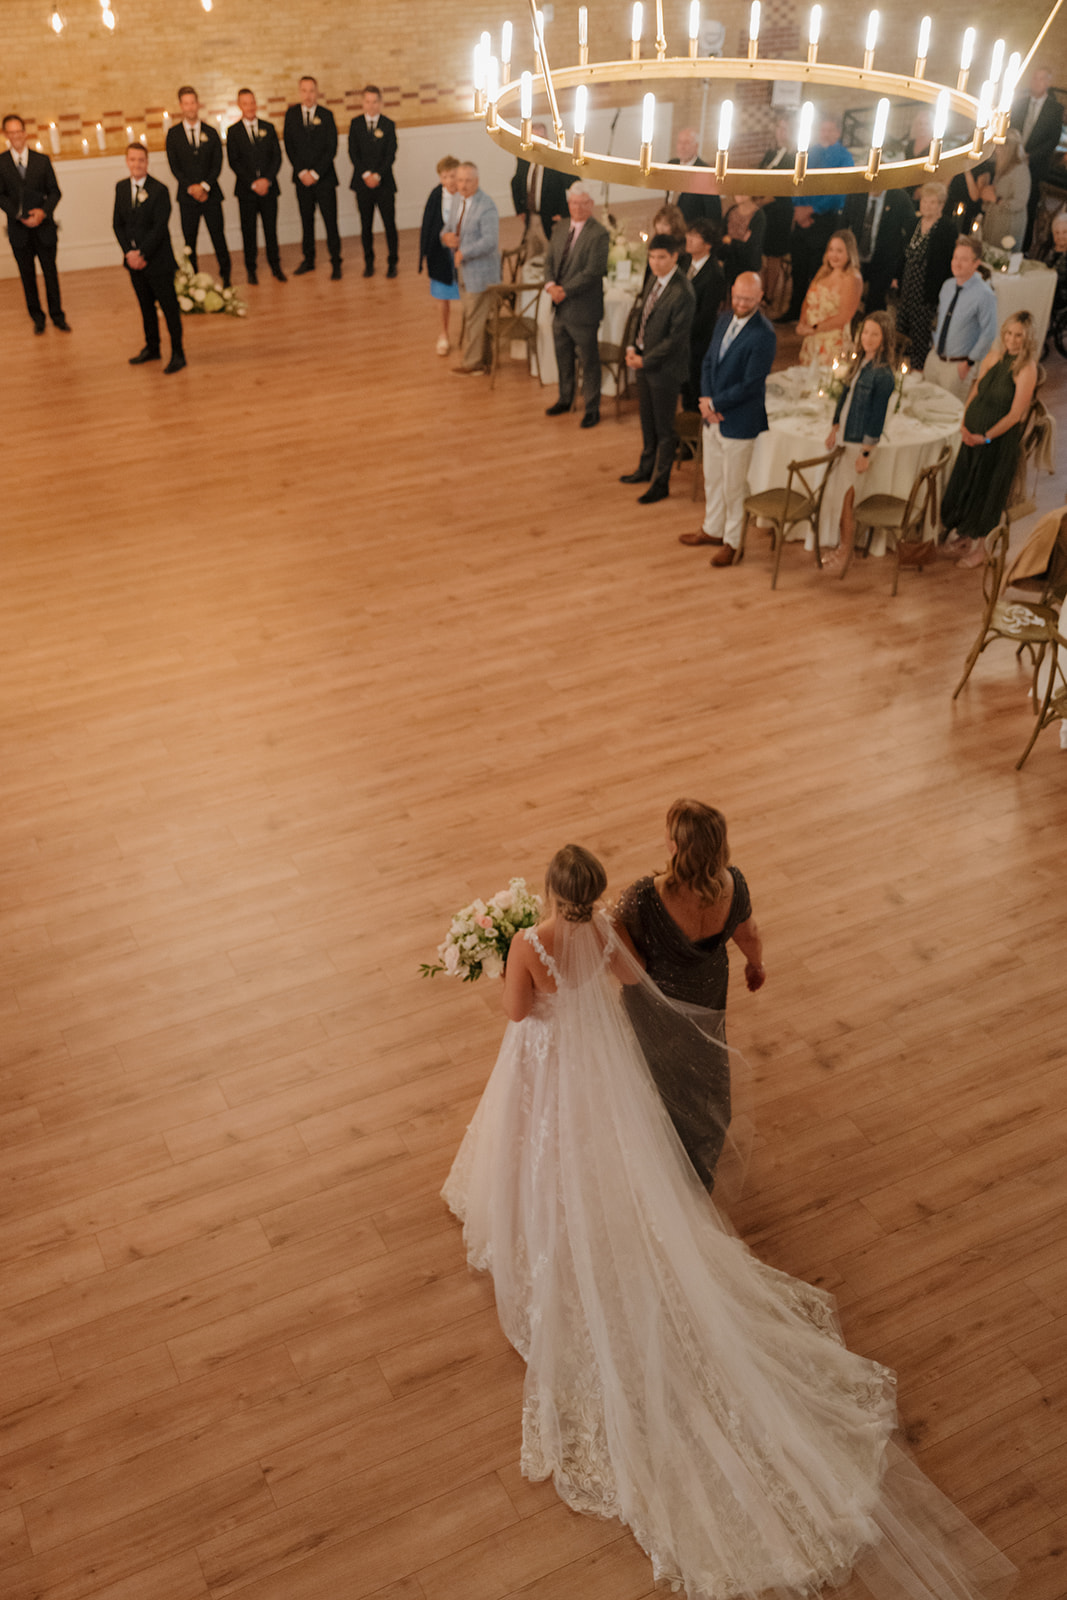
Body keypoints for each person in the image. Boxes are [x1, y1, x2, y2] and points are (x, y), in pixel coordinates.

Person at [442, 842, 1016, 1600]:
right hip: (595, 1071)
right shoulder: (605, 934)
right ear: (592, 892)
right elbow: (633, 984)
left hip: (545, 1062)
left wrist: (502, 971)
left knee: (539, 1147)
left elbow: (518, 1012)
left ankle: (538, 1215)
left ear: (548, 893)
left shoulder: (527, 944)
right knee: (601, 1152)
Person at [616, 801, 763, 1188]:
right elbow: (749, 934)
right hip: (707, 997)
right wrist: (755, 965)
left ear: (675, 845)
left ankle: (654, 1156)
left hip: (654, 1007)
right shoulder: (734, 884)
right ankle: (693, 1158)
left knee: (653, 1072)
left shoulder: (644, 897)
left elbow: (624, 959)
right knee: (701, 1066)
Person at [683, 270, 776, 564]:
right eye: (737, 297)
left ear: (760, 297)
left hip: (739, 421)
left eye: (748, 299)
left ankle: (734, 543)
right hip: (712, 415)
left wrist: (716, 403)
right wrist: (706, 402)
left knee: (734, 487)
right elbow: (709, 361)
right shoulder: (723, 319)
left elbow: (751, 384)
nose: (741, 303)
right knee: (712, 478)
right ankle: (713, 529)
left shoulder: (764, 334)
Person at [941, 312, 1039, 566]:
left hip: (996, 443)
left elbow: (1016, 415)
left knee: (987, 491)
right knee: (967, 484)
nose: (1012, 340)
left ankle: (982, 550)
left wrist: (985, 438)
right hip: (972, 435)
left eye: (1019, 336)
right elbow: (977, 388)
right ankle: (965, 534)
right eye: (1009, 333)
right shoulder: (993, 357)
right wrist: (965, 421)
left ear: (1027, 339)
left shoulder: (1026, 369)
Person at [620, 233, 695, 504]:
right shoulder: (654, 279)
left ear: (675, 257)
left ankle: (661, 482)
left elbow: (676, 340)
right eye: (652, 257)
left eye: (661, 257)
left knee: (664, 428)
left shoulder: (682, 291)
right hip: (643, 361)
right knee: (647, 420)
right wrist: (632, 346)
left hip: (664, 369)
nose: (655, 262)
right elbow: (641, 315)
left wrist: (646, 359)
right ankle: (645, 468)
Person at [821, 311, 898, 572]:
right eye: (865, 332)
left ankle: (846, 551)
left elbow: (876, 418)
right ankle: (842, 546)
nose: (868, 338)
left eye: (875, 334)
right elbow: (844, 396)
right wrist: (834, 426)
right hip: (846, 435)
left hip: (859, 444)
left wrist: (865, 453)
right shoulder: (860, 362)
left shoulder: (883, 375)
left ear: (885, 338)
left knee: (848, 500)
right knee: (842, 497)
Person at [112, 142, 185, 374]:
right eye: (132, 160)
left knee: (169, 308)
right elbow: (117, 224)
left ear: (147, 162)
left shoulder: (159, 190)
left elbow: (159, 228)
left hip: (158, 261)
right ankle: (152, 348)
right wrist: (129, 253)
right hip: (134, 263)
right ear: (127, 162)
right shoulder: (121, 188)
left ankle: (178, 353)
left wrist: (142, 253)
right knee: (145, 307)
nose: (137, 164)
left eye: (141, 160)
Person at [543, 185, 610, 430]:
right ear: (568, 204)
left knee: (589, 361)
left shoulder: (599, 234)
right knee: (563, 356)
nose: (578, 207)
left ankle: (592, 408)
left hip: (583, 310)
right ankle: (565, 398)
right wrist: (550, 285)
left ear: (591, 205)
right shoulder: (560, 227)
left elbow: (592, 272)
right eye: (573, 203)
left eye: (583, 203)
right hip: (559, 308)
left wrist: (564, 291)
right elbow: (549, 260)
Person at [0, 113, 69, 334]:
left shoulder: (42, 160)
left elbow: (55, 192)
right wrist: (20, 215)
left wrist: (43, 212)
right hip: (19, 231)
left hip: (44, 228)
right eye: (10, 132)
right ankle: (37, 317)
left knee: (50, 273)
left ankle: (57, 315)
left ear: (25, 133)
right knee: (27, 276)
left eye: (18, 131)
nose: (15, 136)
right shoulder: (1, 162)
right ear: (6, 135)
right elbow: (1, 196)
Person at [786, 113, 852, 321]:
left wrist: (812, 209)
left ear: (838, 132)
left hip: (825, 219)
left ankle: (813, 313)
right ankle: (794, 309)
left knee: (817, 270)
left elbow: (839, 191)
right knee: (798, 268)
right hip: (801, 218)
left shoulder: (844, 157)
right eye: (823, 129)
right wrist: (798, 209)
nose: (825, 133)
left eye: (830, 130)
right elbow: (797, 181)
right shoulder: (809, 152)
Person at [165, 86, 231, 287]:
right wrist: (192, 188)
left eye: (193, 102)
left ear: (198, 104)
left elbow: (217, 163)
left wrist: (204, 186)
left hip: (211, 195)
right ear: (181, 106)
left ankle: (226, 276)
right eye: (186, 103)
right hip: (187, 197)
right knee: (189, 241)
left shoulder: (211, 132)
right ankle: (192, 279)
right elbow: (174, 166)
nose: (190, 107)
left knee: (218, 237)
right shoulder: (173, 134)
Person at [924, 236, 999, 401]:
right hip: (935, 358)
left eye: (964, 259)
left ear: (976, 263)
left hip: (957, 366)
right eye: (955, 257)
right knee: (925, 403)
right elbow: (940, 318)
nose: (957, 263)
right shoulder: (947, 286)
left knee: (948, 410)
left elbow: (989, 333)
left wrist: (969, 363)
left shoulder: (985, 295)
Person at [895, 182, 959, 373]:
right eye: (924, 201)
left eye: (932, 202)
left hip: (927, 289)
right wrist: (896, 277)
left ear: (941, 205)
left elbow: (947, 264)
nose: (926, 206)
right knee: (900, 328)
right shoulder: (914, 223)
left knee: (920, 334)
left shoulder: (947, 228)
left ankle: (917, 372)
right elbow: (903, 254)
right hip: (908, 285)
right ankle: (898, 368)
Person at [283, 76, 342, 279]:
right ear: (299, 92)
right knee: (306, 222)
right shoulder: (291, 115)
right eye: (304, 90)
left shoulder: (326, 115)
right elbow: (289, 146)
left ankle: (336, 261)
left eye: (311, 90)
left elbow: (331, 147)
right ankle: (309, 260)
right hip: (302, 180)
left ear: (317, 92)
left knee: (330, 222)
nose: (308, 95)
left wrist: (316, 173)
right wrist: (302, 172)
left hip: (324, 179)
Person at [445, 161, 500, 376]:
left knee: (474, 319)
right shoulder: (457, 200)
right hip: (464, 272)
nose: (463, 185)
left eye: (468, 180)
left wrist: (464, 252)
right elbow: (448, 227)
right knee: (474, 315)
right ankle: (485, 361)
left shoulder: (486, 206)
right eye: (460, 180)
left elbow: (490, 241)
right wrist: (445, 237)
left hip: (482, 273)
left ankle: (473, 364)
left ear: (477, 181)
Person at [226, 89, 285, 285]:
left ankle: (275, 266)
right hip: (246, 191)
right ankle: (251, 268)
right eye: (245, 103)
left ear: (256, 104)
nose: (250, 107)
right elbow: (234, 162)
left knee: (271, 230)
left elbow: (277, 157)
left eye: (252, 102)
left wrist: (266, 180)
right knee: (248, 231)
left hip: (269, 188)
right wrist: (253, 183)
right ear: (239, 106)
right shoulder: (233, 132)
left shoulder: (268, 127)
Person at [1011, 64, 1065, 248]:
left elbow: (1052, 140)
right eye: (1035, 78)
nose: (1037, 82)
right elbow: (1012, 128)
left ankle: (1022, 247)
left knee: (1029, 205)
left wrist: (1030, 156)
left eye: (1041, 79)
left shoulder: (1055, 109)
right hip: (1014, 160)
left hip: (1035, 165)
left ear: (1047, 83)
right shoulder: (1021, 103)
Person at [348, 85, 398, 279]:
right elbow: (353, 153)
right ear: (363, 103)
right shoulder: (355, 124)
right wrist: (366, 175)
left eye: (375, 101)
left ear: (380, 102)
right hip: (362, 184)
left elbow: (390, 154)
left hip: (384, 183)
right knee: (366, 225)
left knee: (389, 225)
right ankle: (368, 263)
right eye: (367, 101)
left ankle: (392, 262)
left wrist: (376, 175)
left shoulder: (388, 124)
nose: (371, 105)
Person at [844, 183, 916, 314]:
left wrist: (899, 258)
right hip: (855, 259)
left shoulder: (899, 197)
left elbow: (912, 228)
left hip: (884, 262)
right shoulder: (856, 194)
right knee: (847, 299)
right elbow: (843, 225)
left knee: (875, 304)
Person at [796, 227, 862, 367]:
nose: (834, 255)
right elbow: (808, 299)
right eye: (831, 250)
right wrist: (802, 322)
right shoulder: (824, 271)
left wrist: (814, 328)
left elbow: (844, 316)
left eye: (839, 251)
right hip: (812, 337)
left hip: (833, 342)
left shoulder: (852, 278)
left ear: (849, 253)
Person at [681, 218, 725, 412]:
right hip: (682, 338)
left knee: (695, 385)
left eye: (695, 236)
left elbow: (706, 315)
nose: (688, 239)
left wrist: (681, 331)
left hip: (698, 340)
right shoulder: (684, 262)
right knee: (683, 385)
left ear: (708, 244)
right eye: (688, 234)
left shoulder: (714, 274)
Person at [418, 154, 461, 356]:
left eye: (453, 176)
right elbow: (429, 226)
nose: (449, 181)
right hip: (441, 256)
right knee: (442, 296)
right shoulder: (436, 196)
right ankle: (443, 334)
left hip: (464, 255)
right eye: (445, 177)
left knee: (470, 296)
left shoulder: (467, 193)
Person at [511, 125, 576, 252]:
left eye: (540, 137)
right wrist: (520, 209)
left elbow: (574, 185)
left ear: (547, 138)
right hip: (531, 217)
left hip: (552, 218)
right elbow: (516, 182)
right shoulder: (524, 158)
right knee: (532, 251)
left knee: (553, 252)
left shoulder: (556, 160)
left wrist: (564, 213)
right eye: (533, 138)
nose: (537, 141)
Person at [756, 119, 797, 314]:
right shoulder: (771, 153)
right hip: (764, 210)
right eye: (779, 128)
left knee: (773, 256)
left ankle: (769, 295)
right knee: (761, 254)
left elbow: (785, 187)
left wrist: (760, 202)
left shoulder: (793, 158)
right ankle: (759, 291)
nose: (781, 132)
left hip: (779, 211)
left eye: (785, 129)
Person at [973, 129, 1031, 249]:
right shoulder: (1002, 166)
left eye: (999, 147)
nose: (996, 151)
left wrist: (996, 199)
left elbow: (1020, 202)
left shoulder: (1020, 170)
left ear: (1008, 148)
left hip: (1009, 224)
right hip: (995, 220)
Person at [665, 126, 721, 228]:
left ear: (696, 146)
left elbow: (713, 211)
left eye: (686, 143)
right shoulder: (671, 164)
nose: (682, 147)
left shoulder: (705, 171)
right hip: (669, 226)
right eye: (680, 142)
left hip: (691, 228)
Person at [718, 196, 766, 289]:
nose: (739, 194)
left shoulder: (758, 216)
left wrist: (731, 241)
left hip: (747, 265)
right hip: (729, 261)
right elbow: (722, 237)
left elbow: (751, 247)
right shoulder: (732, 211)